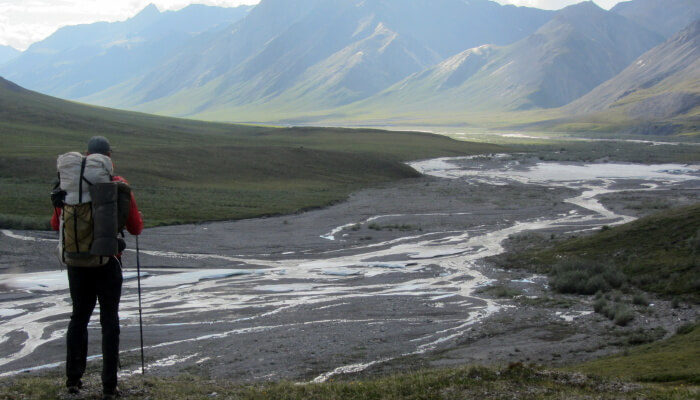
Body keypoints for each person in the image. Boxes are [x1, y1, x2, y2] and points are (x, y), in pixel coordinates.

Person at [51, 136, 144, 400]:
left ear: (86, 155)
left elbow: (55, 225)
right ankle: (109, 385)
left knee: (78, 318)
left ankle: (73, 380)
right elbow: (135, 227)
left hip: (76, 262)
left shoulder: (68, 188)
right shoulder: (118, 186)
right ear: (108, 158)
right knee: (109, 321)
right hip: (107, 262)